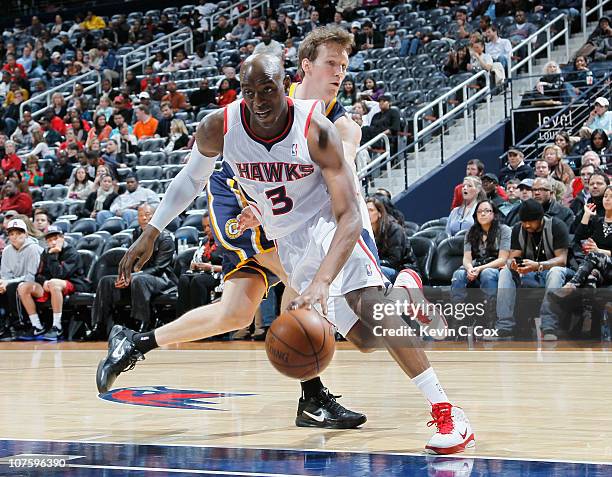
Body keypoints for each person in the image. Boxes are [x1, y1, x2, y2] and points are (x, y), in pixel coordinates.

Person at [104, 53, 473, 455]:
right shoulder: (219, 127)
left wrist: (320, 282)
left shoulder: (316, 128)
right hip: (290, 240)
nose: (260, 101)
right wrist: (152, 231)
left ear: (287, 86)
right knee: (365, 339)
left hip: (331, 223)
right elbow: (191, 178)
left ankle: (448, 411)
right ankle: (402, 292)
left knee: (368, 304)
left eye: (268, 90)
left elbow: (350, 216)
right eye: (249, 92)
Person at [88, 204, 176, 336]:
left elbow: (159, 268)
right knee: (106, 281)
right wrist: (125, 276)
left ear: (155, 216)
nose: (144, 218)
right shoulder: (136, 234)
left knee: (139, 280)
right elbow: (132, 261)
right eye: (140, 215)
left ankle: (142, 322)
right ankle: (100, 325)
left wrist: (132, 276)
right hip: (138, 276)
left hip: (162, 278)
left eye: (147, 215)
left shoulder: (166, 237)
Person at [492, 199, 573, 341]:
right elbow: (513, 257)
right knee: (505, 271)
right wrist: (514, 265)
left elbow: (562, 260)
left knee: (555, 272)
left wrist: (538, 265)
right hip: (530, 273)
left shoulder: (556, 226)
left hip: (558, 273)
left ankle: (549, 326)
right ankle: (504, 326)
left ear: (540, 218)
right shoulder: (518, 229)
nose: (527, 225)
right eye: (524, 221)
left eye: (531, 221)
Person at [17, 225, 88, 341]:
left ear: (62, 238)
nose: (53, 242)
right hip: (50, 285)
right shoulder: (45, 253)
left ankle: (57, 326)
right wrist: (44, 282)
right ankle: (37, 326)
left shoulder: (71, 252)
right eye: (49, 240)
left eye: (55, 238)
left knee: (54, 283)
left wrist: (54, 255)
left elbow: (60, 274)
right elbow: (39, 274)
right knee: (23, 287)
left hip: (74, 284)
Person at [451, 200, 511, 321]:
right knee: (458, 274)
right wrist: (470, 269)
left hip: (495, 267)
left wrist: (480, 269)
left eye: (487, 211)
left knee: (487, 274)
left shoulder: (504, 230)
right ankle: (458, 320)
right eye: (479, 211)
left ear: (493, 214)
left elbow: (502, 259)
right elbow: (467, 258)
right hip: (476, 266)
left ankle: (491, 319)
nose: (482, 214)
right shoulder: (471, 232)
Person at [0, 218, 43, 341]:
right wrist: (3, 283)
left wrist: (8, 283)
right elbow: (5, 274)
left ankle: (21, 325)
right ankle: (4, 326)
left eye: (19, 233)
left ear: (26, 234)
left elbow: (31, 276)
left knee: (13, 287)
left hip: (34, 284)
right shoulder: (7, 250)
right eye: (12, 234)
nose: (15, 237)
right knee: (4, 288)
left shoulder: (33, 249)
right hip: (13, 283)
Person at [176, 212, 222, 317]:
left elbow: (232, 267)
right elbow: (197, 258)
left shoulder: (225, 242)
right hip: (204, 273)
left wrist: (212, 268)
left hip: (220, 275)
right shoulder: (205, 240)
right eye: (204, 227)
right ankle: (182, 319)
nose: (206, 230)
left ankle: (199, 318)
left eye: (209, 226)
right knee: (184, 279)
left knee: (198, 281)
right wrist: (195, 265)